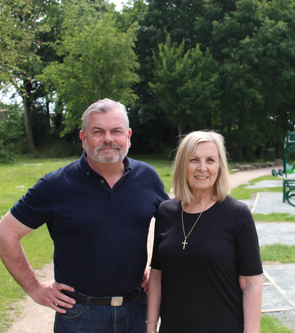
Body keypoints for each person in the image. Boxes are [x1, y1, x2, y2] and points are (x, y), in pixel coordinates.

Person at [0, 98, 169, 332]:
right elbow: (5, 233)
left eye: (116, 131)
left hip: (137, 311)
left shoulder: (147, 177)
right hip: (79, 316)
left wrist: (157, 267)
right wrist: (35, 288)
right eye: (98, 131)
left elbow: (173, 226)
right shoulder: (55, 185)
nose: (108, 138)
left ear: (128, 136)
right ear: (83, 138)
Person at [147, 131, 263, 333]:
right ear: (183, 164)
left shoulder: (237, 215)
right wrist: (150, 325)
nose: (202, 168)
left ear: (220, 166)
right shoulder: (166, 213)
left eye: (210, 160)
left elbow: (251, 283)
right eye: (194, 160)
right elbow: (157, 274)